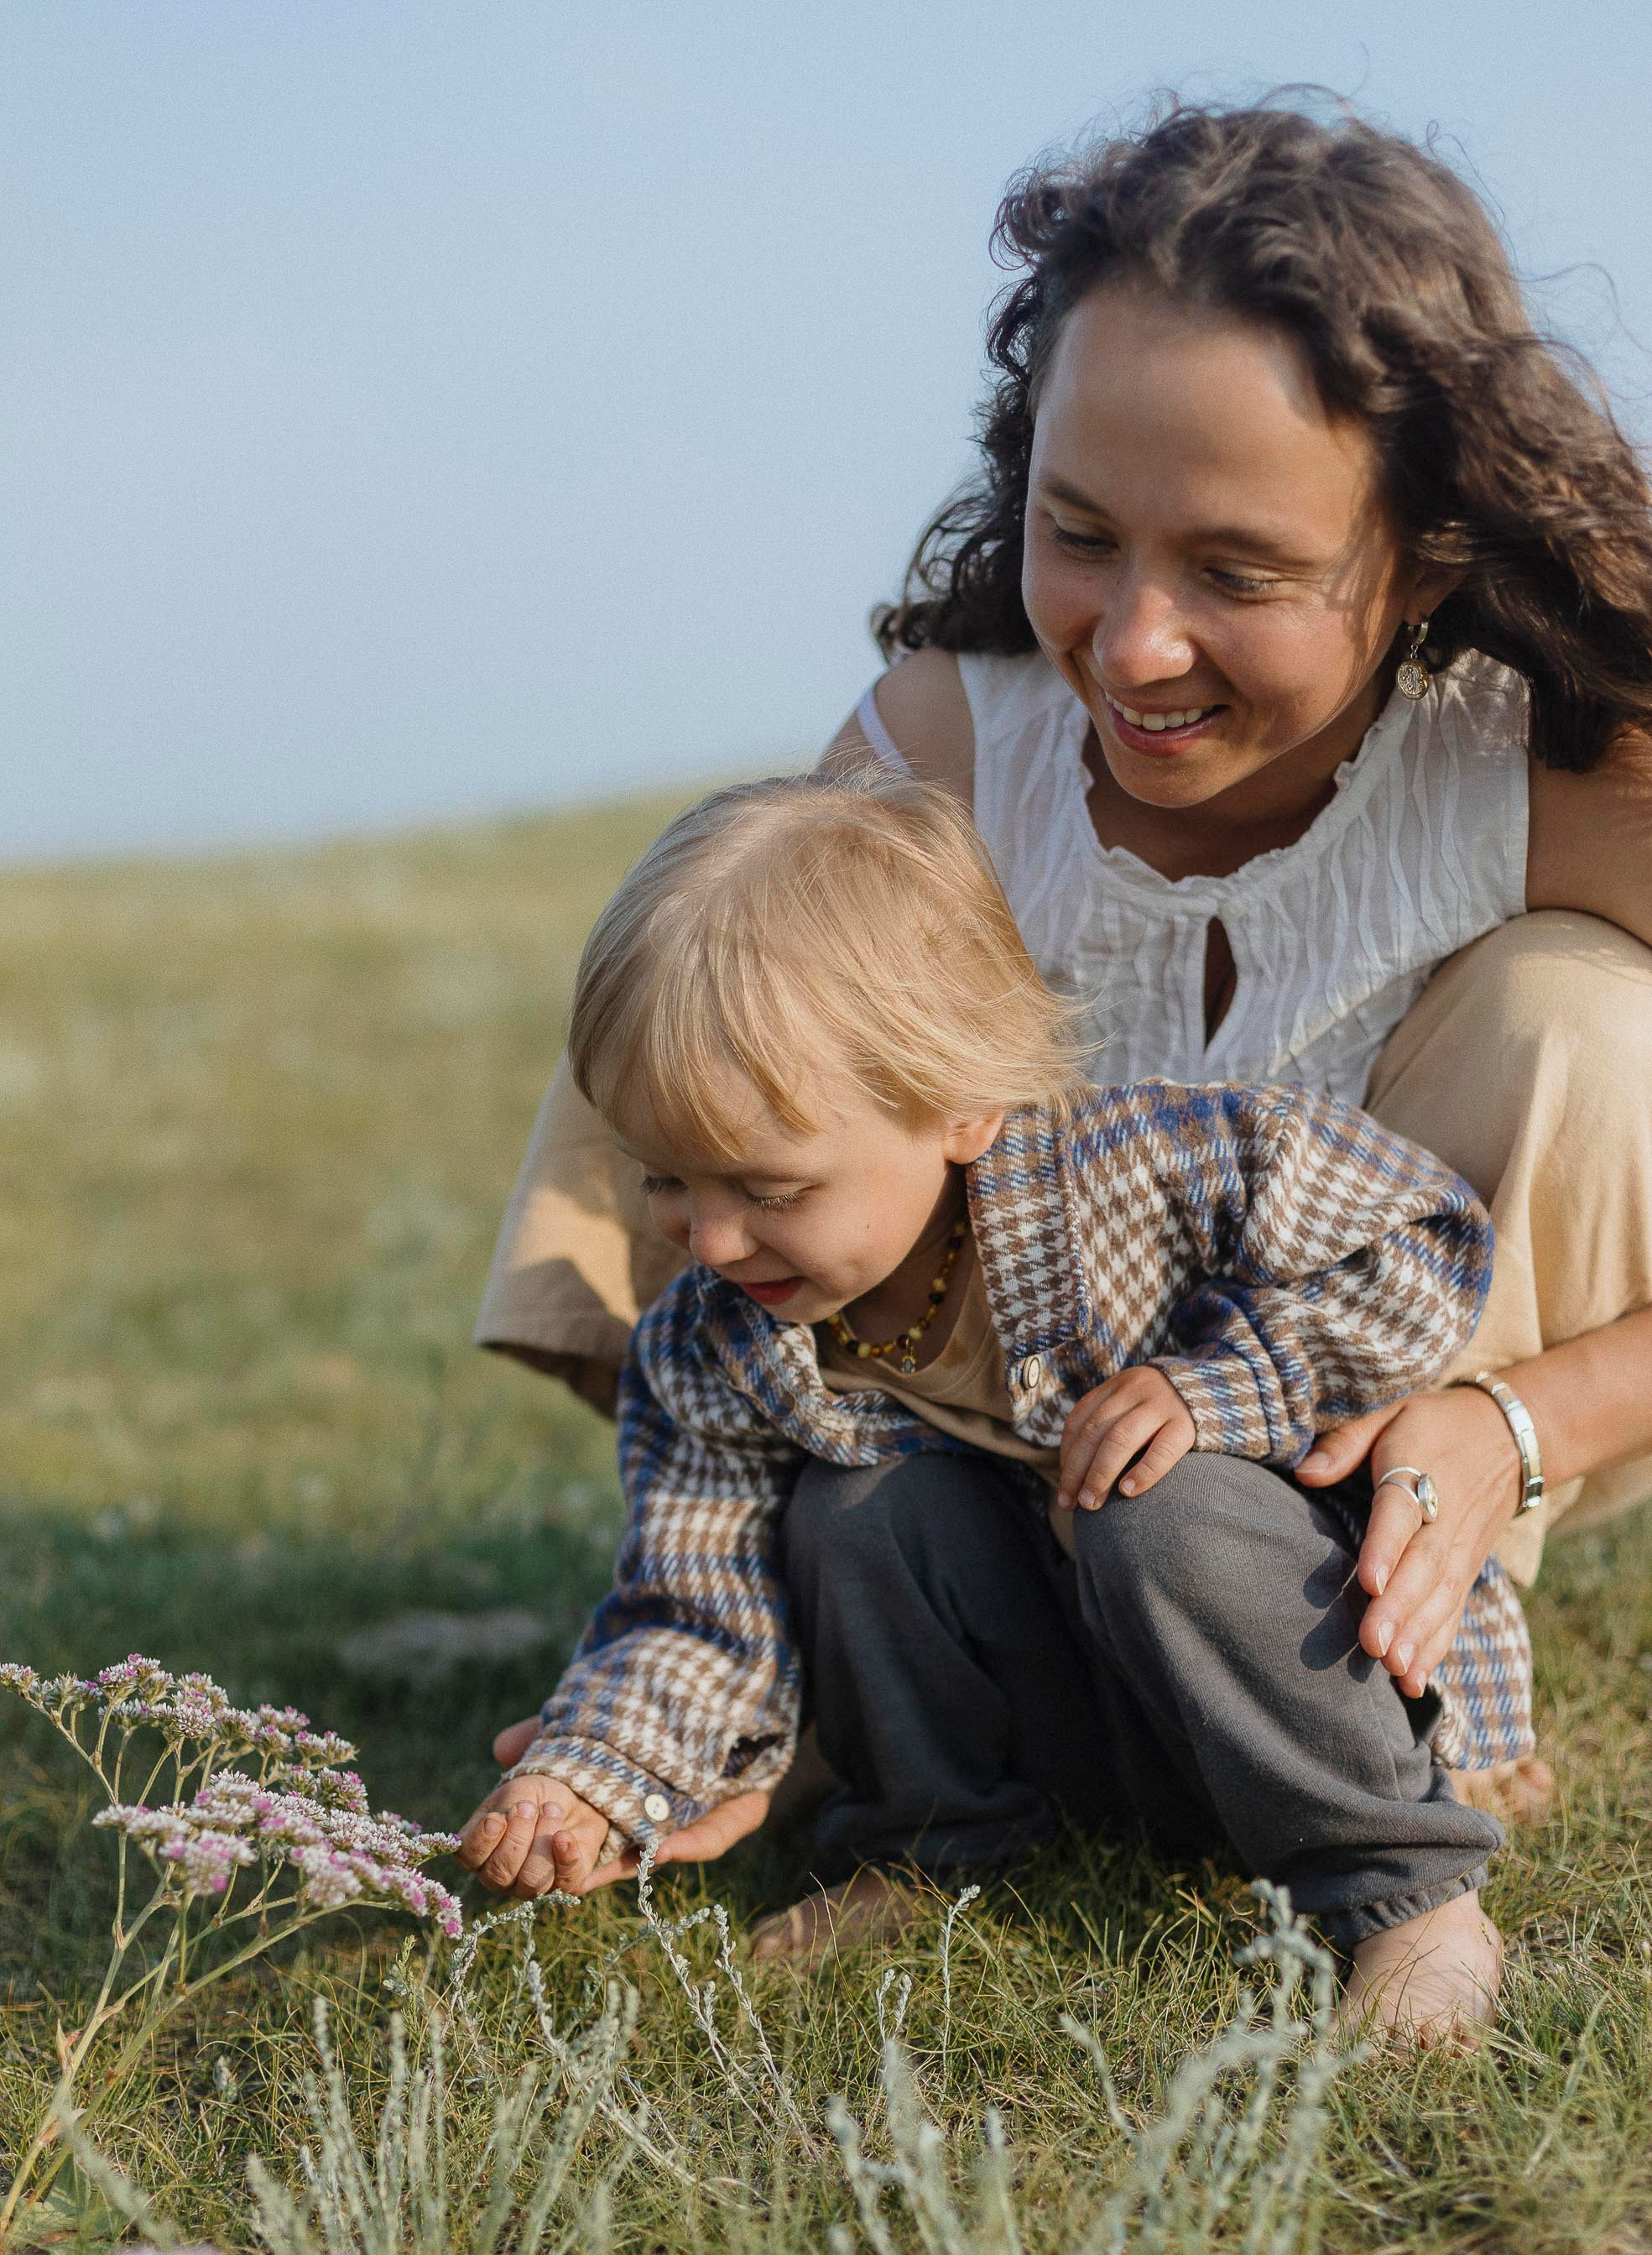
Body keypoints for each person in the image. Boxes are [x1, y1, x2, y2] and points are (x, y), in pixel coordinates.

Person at [476, 102, 1652, 1817]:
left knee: (1581, 1018)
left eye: (1238, 569)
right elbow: (716, 1221)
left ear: (1421, 555)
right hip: (976, 1456)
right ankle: (837, 1649)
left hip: (1371, 1440)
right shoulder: (944, 749)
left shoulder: (1546, 769)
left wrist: (1518, 1423)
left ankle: (1397, 1658)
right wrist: (727, 1624)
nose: (1136, 639)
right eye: (1081, 532)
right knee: (729, 952)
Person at [459, 771, 1521, 2044]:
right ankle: (939, 1843)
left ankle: (1402, 1891)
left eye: (765, 1184)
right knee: (855, 1509)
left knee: (1159, 1501)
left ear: (960, 1103)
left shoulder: (1150, 1169)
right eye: (665, 1180)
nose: (714, 1235)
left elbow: (1425, 1234)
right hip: (1084, 1721)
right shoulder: (716, 1337)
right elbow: (698, 1595)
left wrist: (1226, 1379)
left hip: (1299, 1700)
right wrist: (602, 1770)